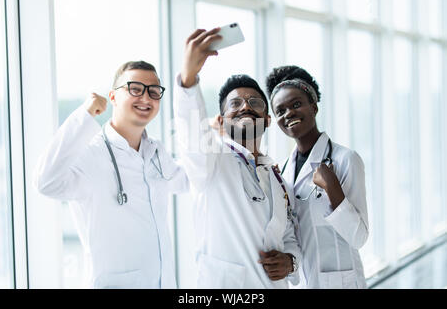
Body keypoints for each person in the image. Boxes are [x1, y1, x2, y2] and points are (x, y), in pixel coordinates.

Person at [33, 61, 188, 288]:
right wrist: (84, 114)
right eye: (135, 89)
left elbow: (186, 181)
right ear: (113, 97)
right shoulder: (90, 154)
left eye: (154, 92)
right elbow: (45, 182)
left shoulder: (156, 152)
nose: (146, 98)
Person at [173, 28, 301, 289]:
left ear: (267, 120)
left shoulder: (277, 179)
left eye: (255, 102)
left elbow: (287, 234)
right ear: (221, 120)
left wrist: (291, 261)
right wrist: (188, 80)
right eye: (235, 104)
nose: (245, 106)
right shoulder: (212, 161)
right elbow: (192, 135)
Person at [265, 65, 369, 288]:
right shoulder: (284, 172)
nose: (288, 113)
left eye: (296, 104)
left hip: (342, 282)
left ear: (313, 107)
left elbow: (359, 237)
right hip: (303, 282)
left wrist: (333, 188)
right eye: (280, 111)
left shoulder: (345, 160)